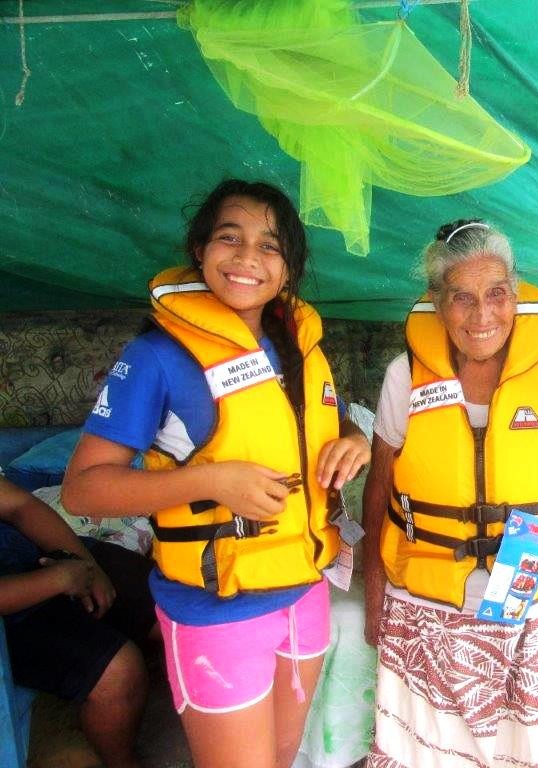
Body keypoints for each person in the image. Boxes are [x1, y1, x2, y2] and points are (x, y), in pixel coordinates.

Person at [62, 179, 370, 768]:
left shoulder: (300, 346)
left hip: (304, 591)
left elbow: (322, 426)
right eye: (230, 238)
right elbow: (82, 489)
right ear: (200, 250)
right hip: (214, 607)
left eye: (270, 245)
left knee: (281, 757)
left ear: (289, 269)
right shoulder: (155, 357)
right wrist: (211, 481)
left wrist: (352, 442)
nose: (248, 257)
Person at [361, 219, 538, 768]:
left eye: (497, 294)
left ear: (516, 294)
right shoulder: (403, 378)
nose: (482, 315)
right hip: (429, 603)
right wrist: (375, 586)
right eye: (462, 298)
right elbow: (381, 481)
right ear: (437, 303)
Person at [0, 476, 156, 768]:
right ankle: (121, 761)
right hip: (12, 612)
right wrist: (57, 580)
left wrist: (83, 563)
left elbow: (19, 505)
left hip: (35, 556)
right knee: (118, 673)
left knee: (170, 605)